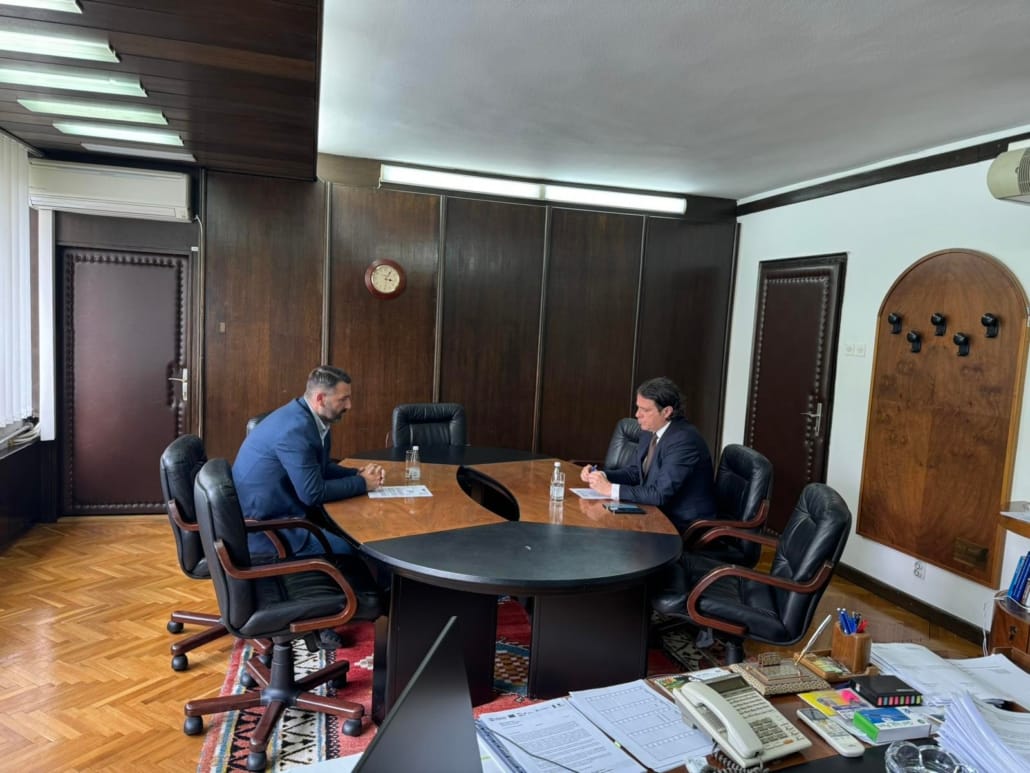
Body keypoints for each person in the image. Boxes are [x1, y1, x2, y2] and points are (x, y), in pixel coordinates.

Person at [233, 365, 385, 558]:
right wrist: (363, 483)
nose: (349, 405)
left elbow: (320, 468)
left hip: (285, 511)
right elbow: (312, 493)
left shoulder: (309, 417)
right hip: (267, 529)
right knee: (351, 552)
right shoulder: (295, 430)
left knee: (357, 533)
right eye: (343, 399)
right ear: (320, 399)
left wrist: (357, 474)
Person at [581, 376, 716, 532]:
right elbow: (634, 473)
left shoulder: (684, 440)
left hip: (682, 525)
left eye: (645, 410)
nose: (637, 415)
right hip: (652, 514)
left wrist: (610, 489)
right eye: (638, 407)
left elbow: (659, 494)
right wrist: (600, 475)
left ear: (666, 411)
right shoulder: (650, 431)